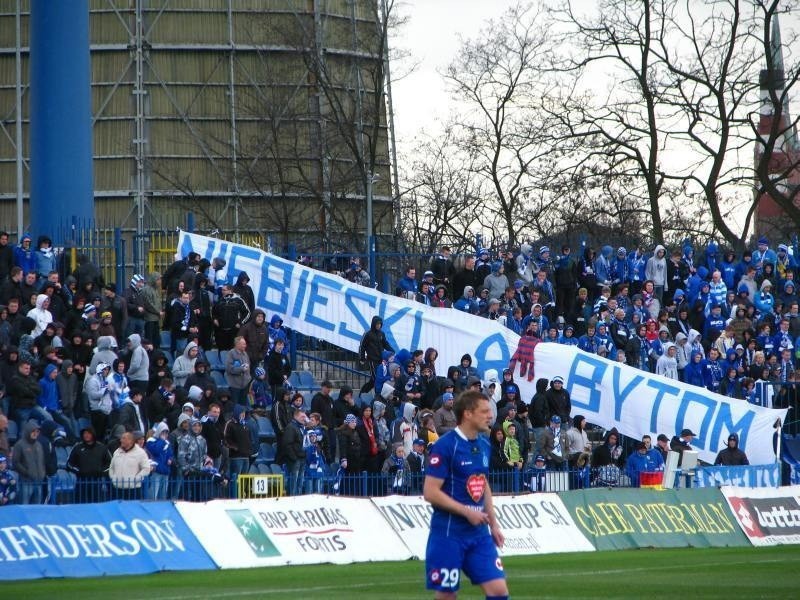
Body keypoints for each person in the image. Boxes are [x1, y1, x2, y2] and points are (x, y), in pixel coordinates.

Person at [423, 390, 508, 599]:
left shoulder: (484, 444)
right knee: (447, 595)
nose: (490, 415)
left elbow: (483, 483)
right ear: (468, 414)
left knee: (498, 590)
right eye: (484, 411)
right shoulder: (445, 446)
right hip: (448, 533)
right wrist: (467, 512)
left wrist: (494, 524)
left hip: (478, 535)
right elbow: (430, 492)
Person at [108, 431, 151, 500]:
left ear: (130, 441)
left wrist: (136, 479)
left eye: (124, 438)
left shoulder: (140, 453)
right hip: (117, 489)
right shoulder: (117, 452)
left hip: (133, 489)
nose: (121, 440)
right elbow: (111, 467)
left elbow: (146, 468)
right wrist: (113, 478)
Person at [358, 316, 395, 394]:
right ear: (373, 324)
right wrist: (361, 358)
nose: (378, 325)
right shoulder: (367, 334)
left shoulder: (382, 334)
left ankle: (363, 392)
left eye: (380, 324)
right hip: (372, 360)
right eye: (377, 324)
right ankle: (378, 395)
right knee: (376, 378)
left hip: (381, 360)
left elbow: (385, 344)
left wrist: (392, 351)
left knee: (374, 379)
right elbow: (362, 346)